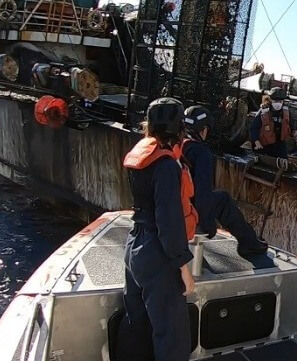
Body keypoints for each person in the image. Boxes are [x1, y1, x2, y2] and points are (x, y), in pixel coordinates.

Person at [118, 97, 197, 361]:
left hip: (134, 247)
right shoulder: (165, 166)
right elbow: (169, 221)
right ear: (179, 129)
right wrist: (183, 267)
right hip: (157, 253)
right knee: (172, 336)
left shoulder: (143, 157)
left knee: (136, 324)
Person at [182, 104, 269, 256]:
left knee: (219, 198)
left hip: (175, 203)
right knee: (223, 199)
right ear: (204, 130)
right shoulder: (201, 153)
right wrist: (207, 224)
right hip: (188, 208)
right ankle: (249, 243)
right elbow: (202, 193)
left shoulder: (178, 144)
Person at [249, 87, 297, 158]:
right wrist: (256, 142)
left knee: (283, 159)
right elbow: (254, 128)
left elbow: (291, 125)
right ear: (270, 100)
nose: (278, 103)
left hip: (279, 145)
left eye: (280, 101)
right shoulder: (263, 111)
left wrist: (295, 132)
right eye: (275, 101)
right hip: (263, 144)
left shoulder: (286, 112)